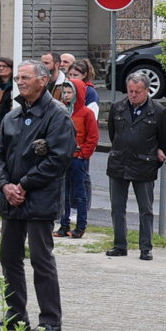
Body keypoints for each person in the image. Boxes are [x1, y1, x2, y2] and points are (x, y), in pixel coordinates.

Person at [0, 60, 73, 331]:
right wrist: (5, 186)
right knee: (9, 257)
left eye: (25, 77)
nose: (20, 82)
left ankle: (50, 321)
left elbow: (58, 159)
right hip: (11, 198)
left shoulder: (57, 115)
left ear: (42, 80)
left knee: (41, 258)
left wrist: (23, 184)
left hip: (40, 198)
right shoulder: (11, 117)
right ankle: (15, 314)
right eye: (18, 78)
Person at [105, 74, 166, 260]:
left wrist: (155, 156)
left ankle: (146, 247)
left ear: (146, 91)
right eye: (130, 91)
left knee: (146, 209)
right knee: (117, 207)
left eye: (137, 92)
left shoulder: (158, 111)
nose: (133, 95)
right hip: (119, 162)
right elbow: (113, 133)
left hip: (144, 164)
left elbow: (164, 140)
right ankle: (119, 245)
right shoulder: (117, 107)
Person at [54, 79, 98, 239]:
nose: (66, 95)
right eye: (64, 92)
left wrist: (83, 154)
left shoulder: (86, 113)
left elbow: (93, 137)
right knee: (64, 193)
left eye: (69, 92)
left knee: (79, 193)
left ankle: (80, 226)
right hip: (64, 157)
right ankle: (64, 225)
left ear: (77, 94)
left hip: (78, 158)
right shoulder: (62, 111)